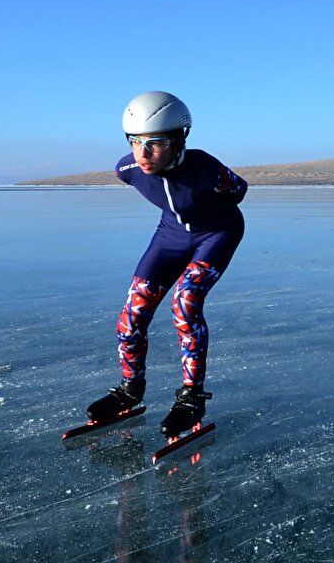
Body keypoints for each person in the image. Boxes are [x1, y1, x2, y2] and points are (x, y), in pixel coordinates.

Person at [86, 91, 247, 439]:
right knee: (131, 318)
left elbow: (239, 191)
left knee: (184, 302)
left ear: (178, 140)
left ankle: (192, 397)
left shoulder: (207, 169)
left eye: (155, 143)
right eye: (135, 142)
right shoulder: (127, 169)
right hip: (171, 236)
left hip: (216, 233)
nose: (142, 154)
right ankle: (130, 389)